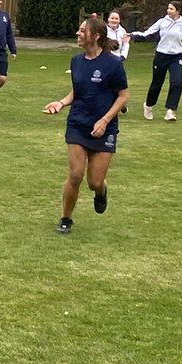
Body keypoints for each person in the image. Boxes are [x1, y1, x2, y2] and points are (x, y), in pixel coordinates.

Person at [43, 15, 129, 235]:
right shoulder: (76, 61)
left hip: (104, 129)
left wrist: (105, 120)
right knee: (75, 175)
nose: (78, 33)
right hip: (78, 124)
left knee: (94, 182)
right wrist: (61, 103)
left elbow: (123, 96)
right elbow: (78, 91)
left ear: (96, 36)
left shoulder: (113, 64)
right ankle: (65, 219)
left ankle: (102, 192)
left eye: (83, 31)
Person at [130, 1, 182, 121]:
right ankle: (149, 105)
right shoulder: (162, 22)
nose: (168, 11)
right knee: (157, 84)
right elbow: (147, 33)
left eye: (171, 9)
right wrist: (132, 35)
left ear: (178, 11)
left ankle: (170, 111)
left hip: (176, 57)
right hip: (161, 56)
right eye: (168, 8)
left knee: (177, 83)